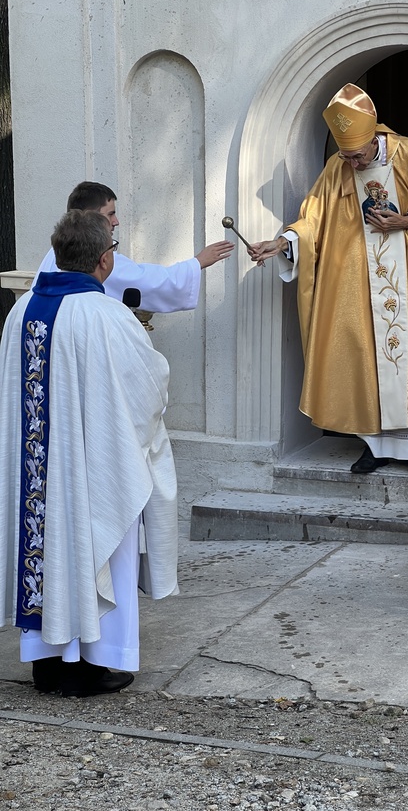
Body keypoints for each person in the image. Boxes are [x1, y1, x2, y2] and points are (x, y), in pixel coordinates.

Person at [0, 209, 179, 696]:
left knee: (45, 550)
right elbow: (148, 389)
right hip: (89, 469)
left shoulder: (20, 314)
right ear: (105, 260)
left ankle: (46, 662)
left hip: (38, 475)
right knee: (97, 548)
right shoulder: (108, 316)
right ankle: (90, 664)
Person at [249, 84, 408, 473]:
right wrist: (283, 242)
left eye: (356, 156)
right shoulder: (338, 166)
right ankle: (374, 445)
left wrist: (407, 219)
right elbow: (313, 217)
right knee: (362, 355)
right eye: (345, 156)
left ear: (373, 140)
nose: (351, 164)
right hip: (357, 282)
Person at [36, 182, 233, 312]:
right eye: (110, 214)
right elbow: (146, 282)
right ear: (90, 216)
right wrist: (196, 263)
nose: (116, 221)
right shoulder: (96, 258)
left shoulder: (55, 251)